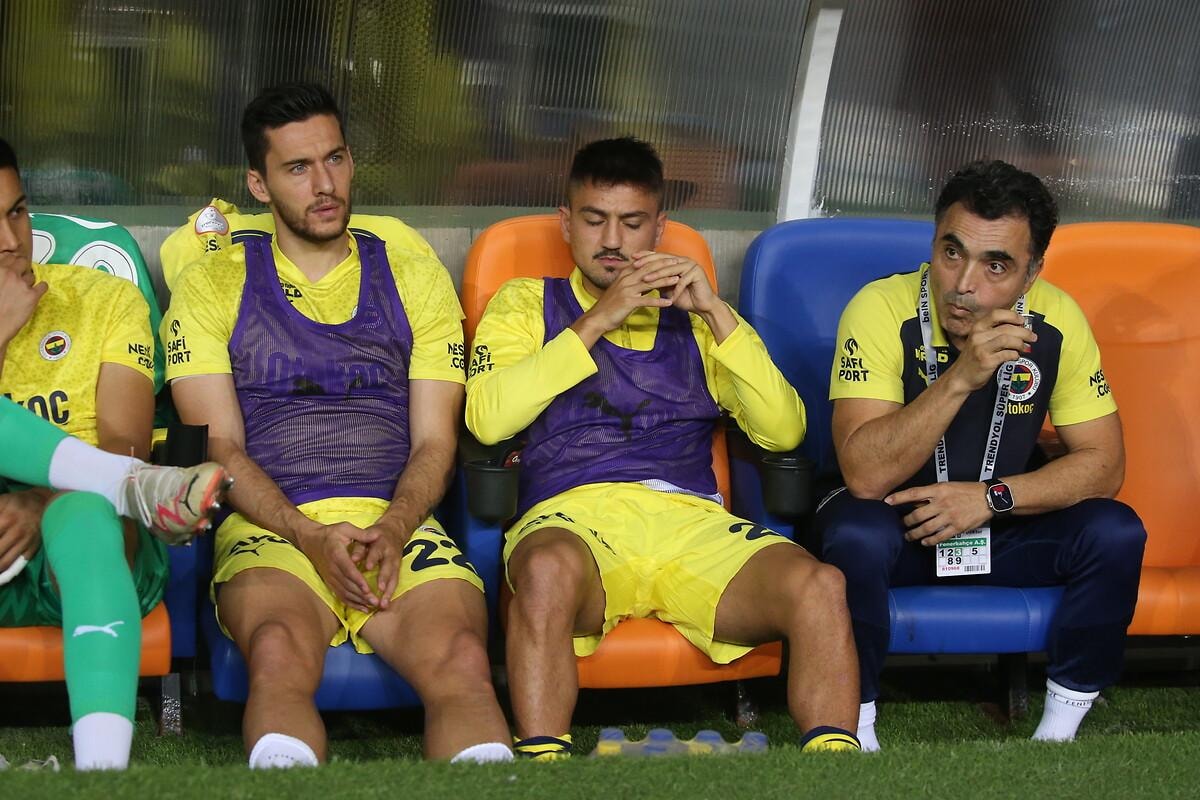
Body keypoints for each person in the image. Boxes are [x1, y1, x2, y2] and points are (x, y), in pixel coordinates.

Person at [465, 137, 861, 758]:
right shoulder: (526, 301)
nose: (613, 241)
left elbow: (784, 430)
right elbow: (488, 421)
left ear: (659, 228)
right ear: (566, 223)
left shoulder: (700, 319)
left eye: (632, 223)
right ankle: (543, 763)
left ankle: (834, 768)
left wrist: (716, 314)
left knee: (821, 586)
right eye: (594, 220)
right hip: (574, 520)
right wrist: (599, 318)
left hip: (690, 523)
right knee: (542, 573)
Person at [163, 82, 511, 768]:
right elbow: (220, 445)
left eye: (335, 159)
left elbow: (436, 440)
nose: (324, 185)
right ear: (259, 185)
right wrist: (309, 535)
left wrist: (396, 526)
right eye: (298, 168)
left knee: (463, 659)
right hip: (274, 526)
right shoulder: (212, 285)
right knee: (276, 651)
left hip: (395, 522)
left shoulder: (414, 277)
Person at [817, 159, 1147, 750]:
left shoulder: (1058, 319)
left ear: (1031, 273)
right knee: (856, 535)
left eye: (995, 265)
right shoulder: (880, 307)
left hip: (994, 525)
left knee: (1114, 531)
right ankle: (857, 728)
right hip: (895, 526)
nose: (963, 284)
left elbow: (1105, 465)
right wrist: (960, 378)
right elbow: (864, 475)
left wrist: (992, 499)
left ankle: (1059, 731)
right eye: (952, 252)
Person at [0, 136, 228, 771]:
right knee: (108, 487)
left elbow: (124, 437)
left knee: (86, 517)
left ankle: (102, 773)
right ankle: (134, 484)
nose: (11, 241)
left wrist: (39, 500)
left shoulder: (103, 299)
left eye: (17, 211)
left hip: (86, 531)